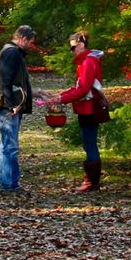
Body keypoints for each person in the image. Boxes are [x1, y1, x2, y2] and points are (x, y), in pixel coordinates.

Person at [0, 25, 37, 194]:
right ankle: (8, 185)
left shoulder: (11, 52)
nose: (31, 45)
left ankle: (11, 183)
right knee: (9, 146)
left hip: (3, 102)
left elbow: (16, 82)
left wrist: (36, 92)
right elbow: (6, 81)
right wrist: (12, 105)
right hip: (4, 105)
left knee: (8, 144)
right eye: (30, 42)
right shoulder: (12, 53)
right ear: (23, 39)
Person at [54, 30, 107, 193]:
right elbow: (81, 87)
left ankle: (92, 182)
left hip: (89, 108)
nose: (72, 51)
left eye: (73, 47)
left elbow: (83, 89)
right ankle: (91, 181)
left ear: (82, 45)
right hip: (86, 106)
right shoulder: (86, 61)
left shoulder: (88, 62)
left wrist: (61, 99)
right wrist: (61, 95)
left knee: (90, 143)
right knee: (88, 142)